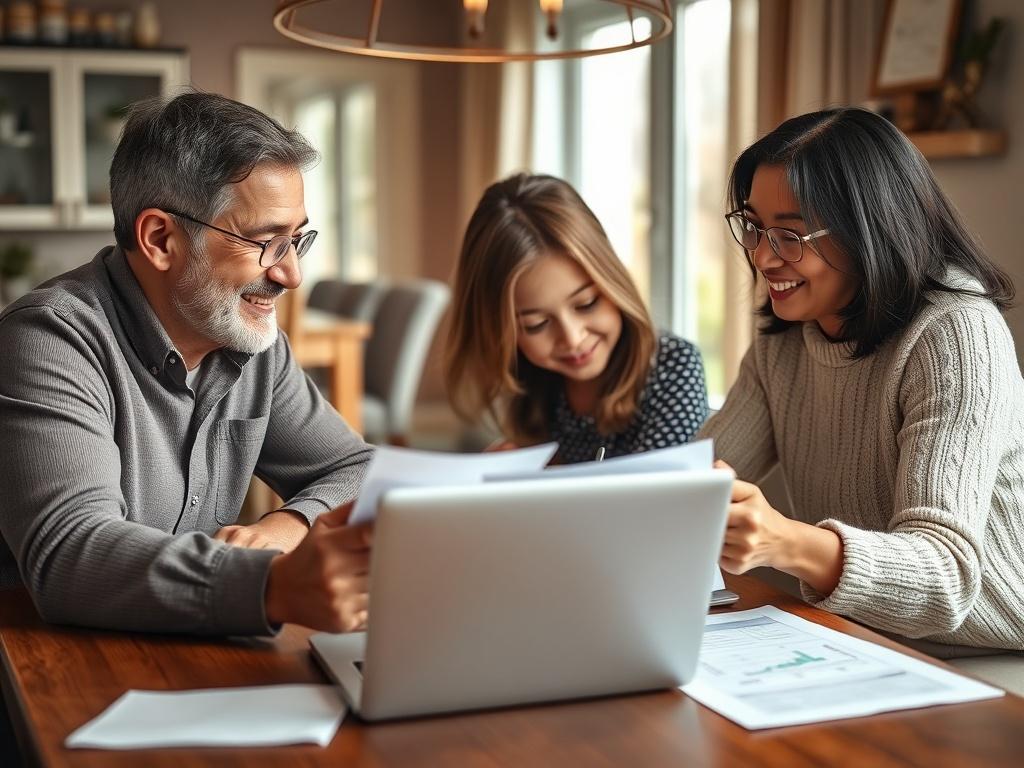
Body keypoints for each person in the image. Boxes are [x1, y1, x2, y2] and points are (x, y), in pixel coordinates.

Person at [0, 91, 373, 637]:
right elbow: (70, 552)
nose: (291, 274)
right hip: (51, 667)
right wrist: (271, 585)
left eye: (296, 240)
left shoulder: (254, 343)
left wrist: (285, 527)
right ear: (160, 239)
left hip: (188, 649)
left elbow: (356, 470)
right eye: (266, 241)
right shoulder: (48, 338)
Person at [700, 107, 1024, 652]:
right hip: (857, 636)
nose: (762, 257)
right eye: (755, 227)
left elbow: (945, 577)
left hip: (983, 651)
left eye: (791, 235)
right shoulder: (783, 341)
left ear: (870, 230)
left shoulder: (956, 334)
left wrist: (786, 542)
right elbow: (702, 472)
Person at [446, 173, 708, 464]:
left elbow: (658, 499)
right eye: (536, 325)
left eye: (586, 304)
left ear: (613, 281)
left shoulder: (673, 368)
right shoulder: (530, 381)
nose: (572, 338)